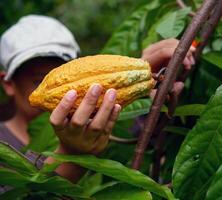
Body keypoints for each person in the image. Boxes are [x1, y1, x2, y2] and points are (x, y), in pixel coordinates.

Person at [0, 15, 195, 186]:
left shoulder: (108, 124)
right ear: (7, 84)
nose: (70, 91)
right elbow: (23, 194)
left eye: (67, 72)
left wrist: (152, 85)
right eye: (38, 80)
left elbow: (153, 138)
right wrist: (72, 155)